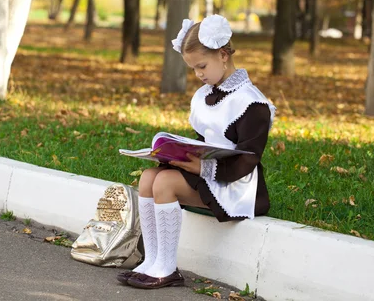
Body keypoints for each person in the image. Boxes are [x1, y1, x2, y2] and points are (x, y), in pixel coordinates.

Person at [117, 14, 276, 290]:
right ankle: (151, 260)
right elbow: (205, 141)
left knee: (165, 182)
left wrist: (201, 168)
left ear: (224, 55)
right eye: (193, 69)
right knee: (148, 178)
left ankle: (166, 268)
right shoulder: (205, 94)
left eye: (202, 66)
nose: (199, 75)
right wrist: (176, 157)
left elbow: (248, 161)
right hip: (209, 173)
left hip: (237, 185)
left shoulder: (252, 104)